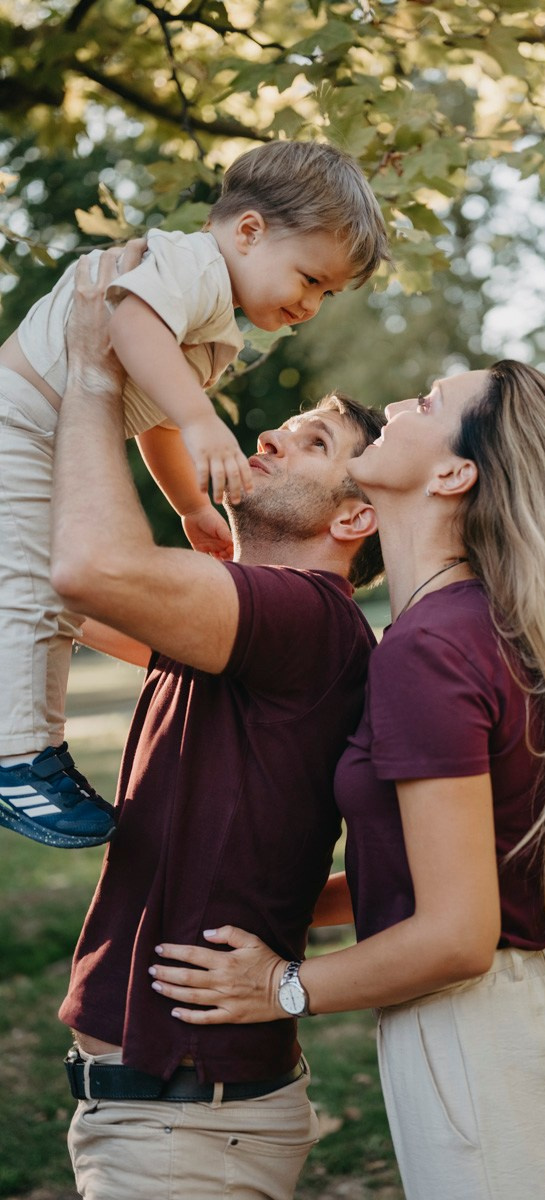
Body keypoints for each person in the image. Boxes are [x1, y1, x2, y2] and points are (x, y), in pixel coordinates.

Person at [150, 363, 545, 1199]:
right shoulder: (458, 626)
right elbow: (446, 867)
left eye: (428, 404)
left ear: (453, 474)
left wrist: (282, 987)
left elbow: (458, 934)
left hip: (481, 1048)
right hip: (498, 1034)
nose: (397, 404)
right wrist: (278, 904)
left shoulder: (430, 648)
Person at [50, 246, 386, 1200]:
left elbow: (86, 571)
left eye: (313, 442)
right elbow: (57, 591)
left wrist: (93, 372)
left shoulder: (305, 618)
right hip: (170, 1119)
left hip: (181, 1130)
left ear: (354, 520)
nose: (271, 434)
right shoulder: (244, 628)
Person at [0, 139, 389, 849]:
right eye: (308, 279)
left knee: (49, 595)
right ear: (249, 231)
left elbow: (152, 422)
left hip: (41, 438)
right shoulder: (191, 268)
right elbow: (128, 325)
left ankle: (31, 747)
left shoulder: (207, 319)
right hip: (19, 426)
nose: (310, 304)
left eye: (326, 294)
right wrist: (203, 418)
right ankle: (19, 756)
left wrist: (190, 505)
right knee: (34, 592)